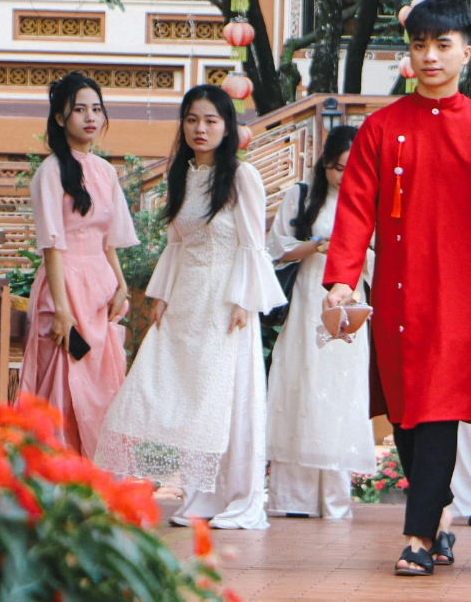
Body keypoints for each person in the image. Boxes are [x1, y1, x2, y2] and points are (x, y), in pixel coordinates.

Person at [323, 0, 471, 576]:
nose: (429, 56)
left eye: (442, 45)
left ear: (466, 53)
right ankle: (443, 518)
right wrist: (341, 284)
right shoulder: (381, 128)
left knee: (438, 411)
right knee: (404, 415)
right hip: (399, 293)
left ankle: (418, 539)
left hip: (462, 295)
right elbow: (354, 211)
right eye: (420, 44)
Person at [94, 84, 285, 530]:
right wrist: (161, 295)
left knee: (224, 397)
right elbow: (176, 245)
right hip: (184, 300)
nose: (201, 129)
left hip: (226, 301)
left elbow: (252, 245)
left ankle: (239, 499)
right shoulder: (178, 175)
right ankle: (199, 496)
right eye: (193, 120)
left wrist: (243, 302)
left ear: (228, 127)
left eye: (211, 121)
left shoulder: (242, 177)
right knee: (183, 393)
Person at [19, 72, 139, 458]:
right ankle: (58, 475)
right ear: (60, 118)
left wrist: (121, 286)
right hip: (64, 290)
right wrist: (62, 311)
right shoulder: (50, 173)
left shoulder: (105, 171)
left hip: (99, 292)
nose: (90, 118)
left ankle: (98, 475)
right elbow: (53, 247)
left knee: (102, 384)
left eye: (97, 109)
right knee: (65, 384)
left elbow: (109, 242)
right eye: (79, 110)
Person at [266, 125, 376, 519]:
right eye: (337, 168)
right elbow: (277, 249)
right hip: (309, 296)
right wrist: (315, 247)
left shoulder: (368, 199)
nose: (344, 176)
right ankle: (292, 498)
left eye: (351, 167)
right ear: (325, 165)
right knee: (300, 384)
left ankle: (334, 498)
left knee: (339, 390)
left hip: (349, 305)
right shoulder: (301, 196)